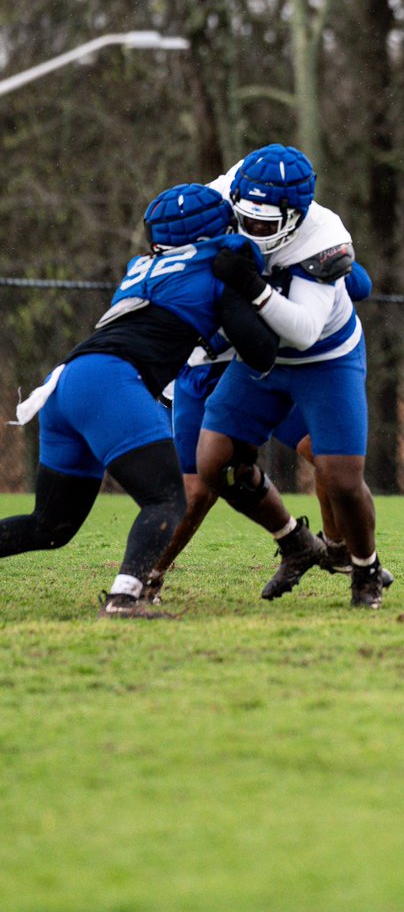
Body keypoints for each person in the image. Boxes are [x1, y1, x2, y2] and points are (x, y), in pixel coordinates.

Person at [0, 184, 280, 617]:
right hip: (110, 380)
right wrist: (251, 286)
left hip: (66, 381)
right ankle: (124, 599)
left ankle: (125, 596)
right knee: (168, 498)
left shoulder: (143, 267)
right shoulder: (215, 270)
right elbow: (261, 353)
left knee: (50, 526)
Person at [190, 144, 387, 609]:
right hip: (261, 360)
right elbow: (186, 219)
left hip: (326, 359)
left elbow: (303, 331)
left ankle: (365, 570)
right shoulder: (228, 193)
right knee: (214, 462)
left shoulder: (324, 235)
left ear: (295, 216)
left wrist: (252, 285)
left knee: (341, 479)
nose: (251, 231)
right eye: (245, 220)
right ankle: (293, 540)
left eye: (264, 225)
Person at [144, 260, 393, 601]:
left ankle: (337, 549)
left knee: (327, 453)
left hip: (265, 370)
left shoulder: (284, 246)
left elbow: (360, 284)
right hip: (204, 373)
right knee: (198, 490)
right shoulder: (198, 258)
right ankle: (147, 579)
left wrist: (320, 259)